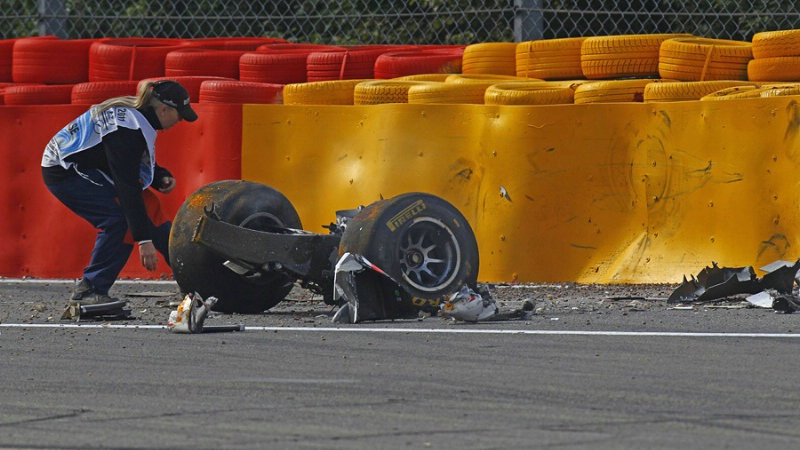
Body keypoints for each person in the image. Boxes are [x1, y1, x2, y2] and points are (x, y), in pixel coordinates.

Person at [41, 80, 198, 305]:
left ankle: (192, 282)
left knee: (151, 208)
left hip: (90, 165)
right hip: (65, 170)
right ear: (164, 109)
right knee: (119, 222)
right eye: (180, 114)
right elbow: (127, 184)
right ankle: (89, 290)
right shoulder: (128, 129)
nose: (180, 120)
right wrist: (144, 240)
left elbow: (126, 162)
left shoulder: (137, 119)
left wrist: (158, 176)